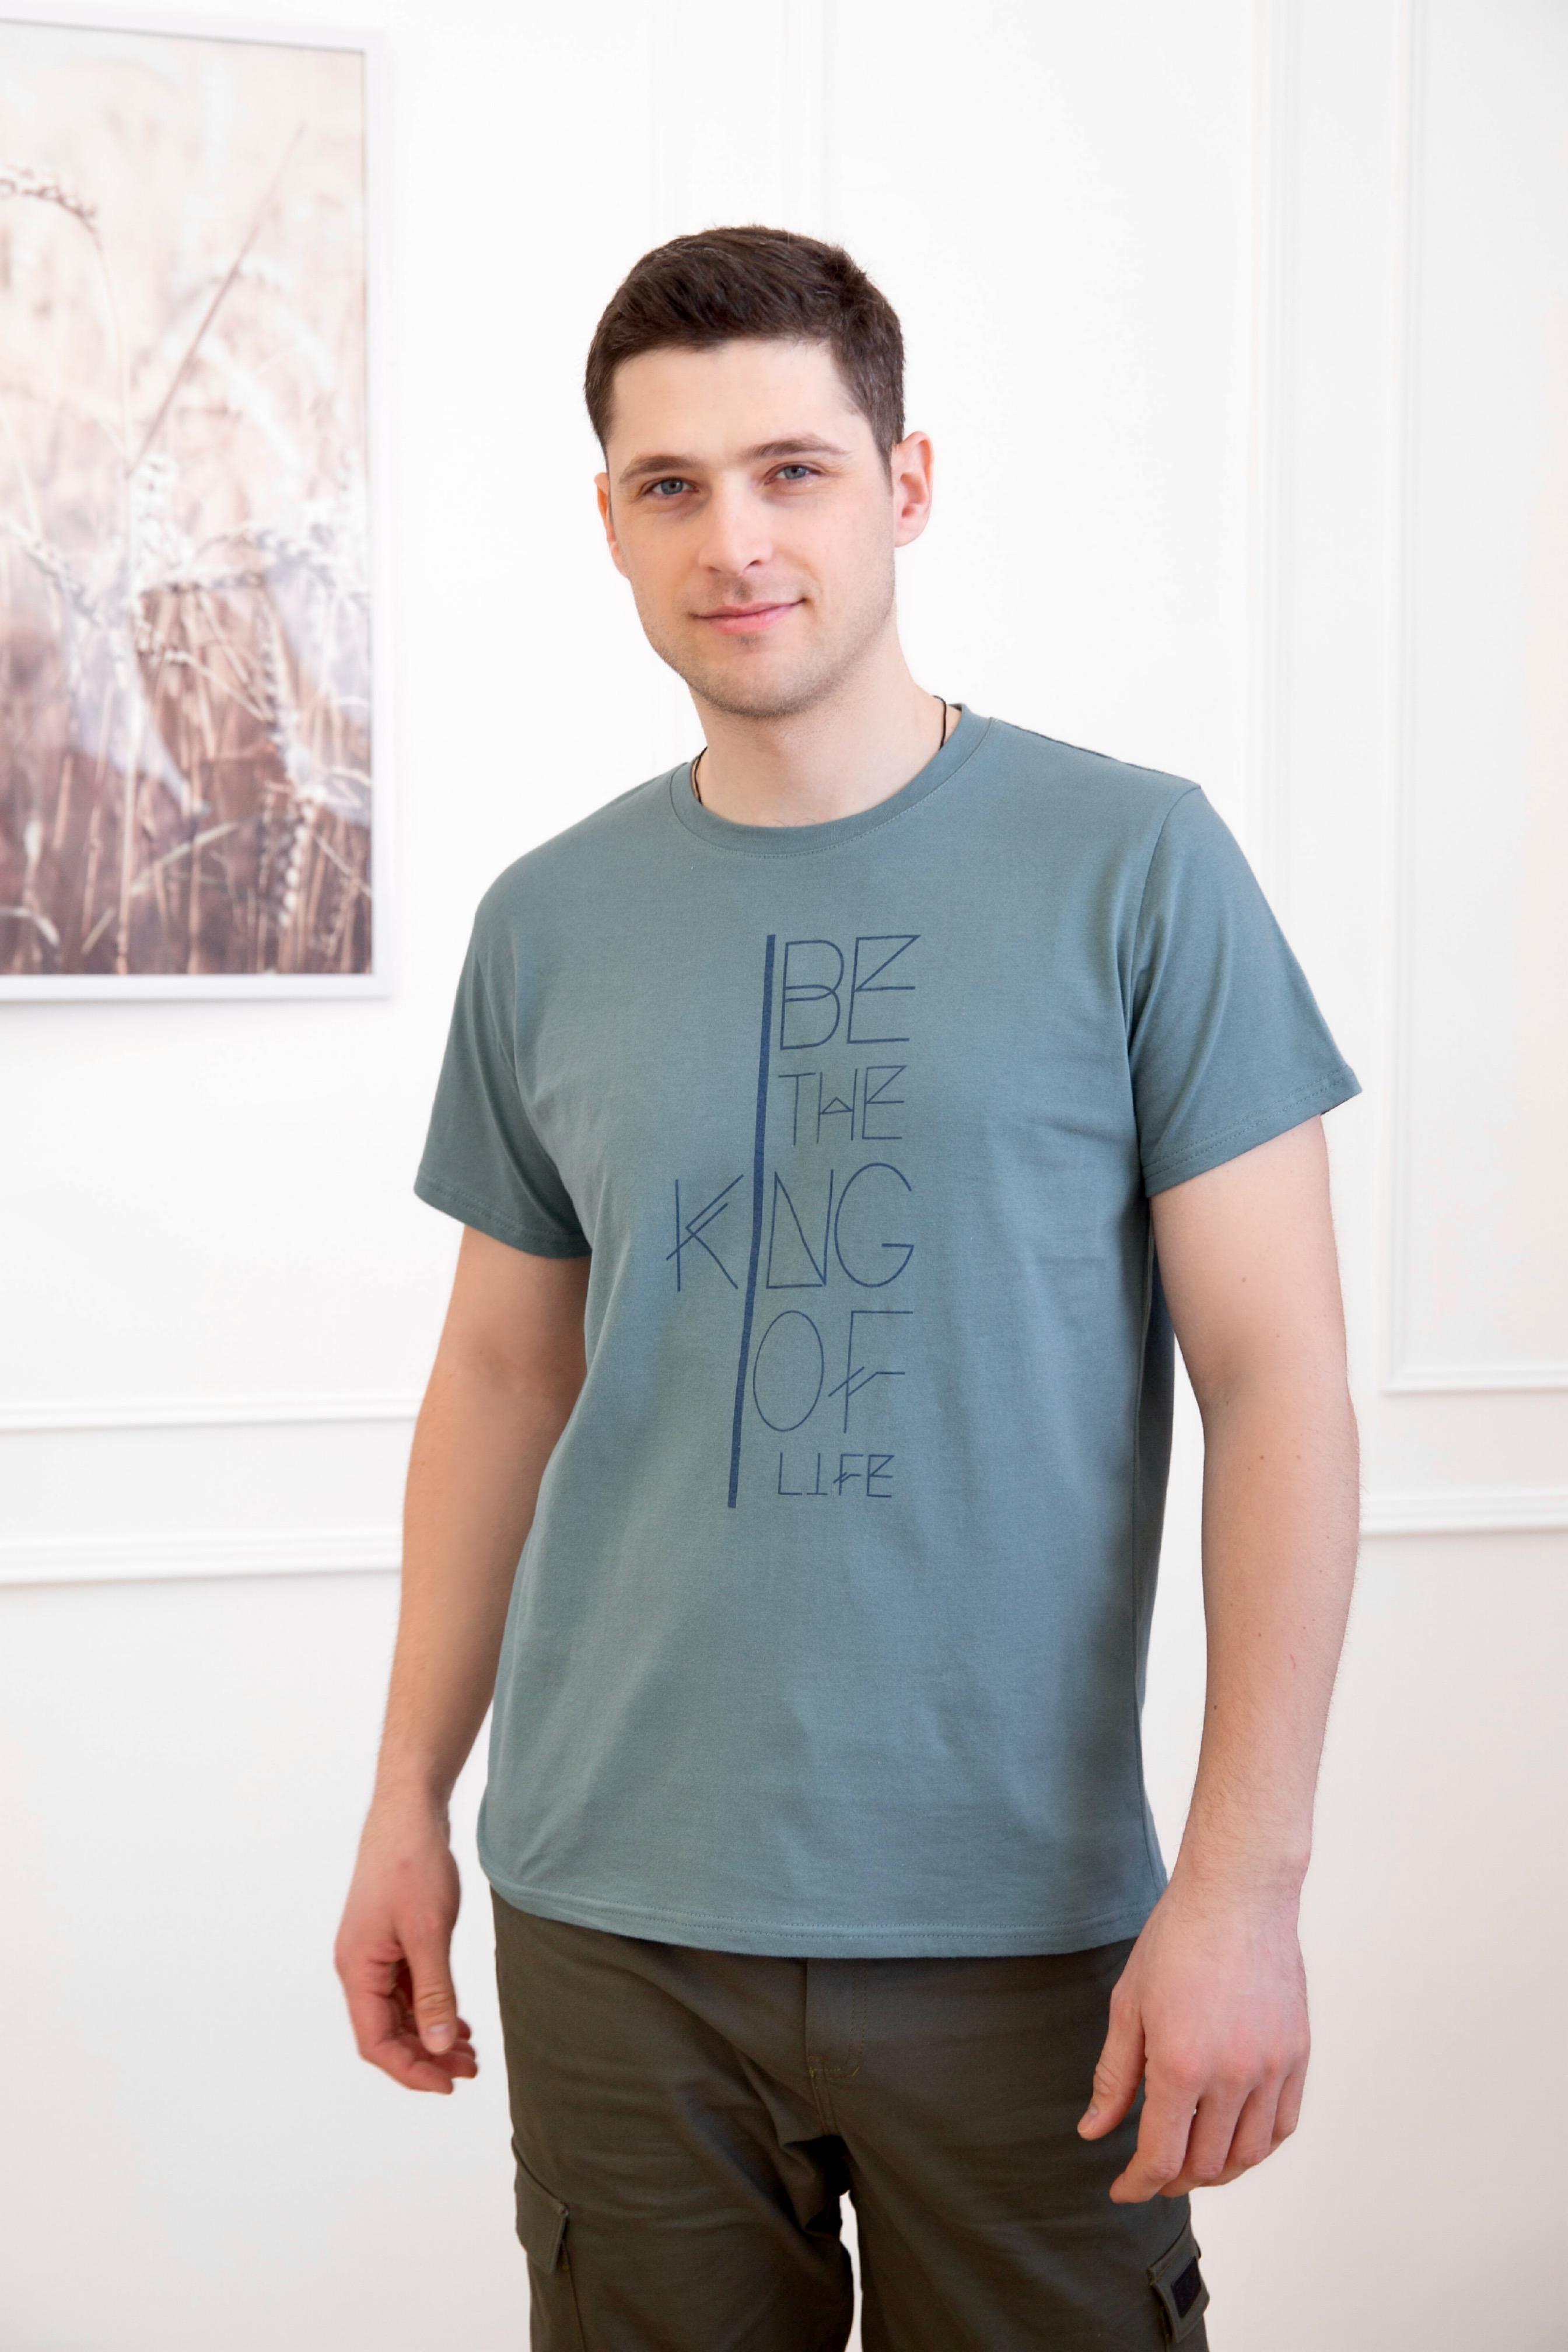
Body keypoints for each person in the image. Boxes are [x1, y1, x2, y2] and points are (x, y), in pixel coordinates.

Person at [334, 225, 1363, 2350]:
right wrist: (406, 1800)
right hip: (612, 1922)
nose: (736, 539)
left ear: (906, 483)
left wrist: (1247, 1887)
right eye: (673, 485)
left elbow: (1278, 1383)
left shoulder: (1138, 866)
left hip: (1029, 1934)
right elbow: (504, 1380)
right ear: (610, 522)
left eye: (793, 470)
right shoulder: (547, 923)